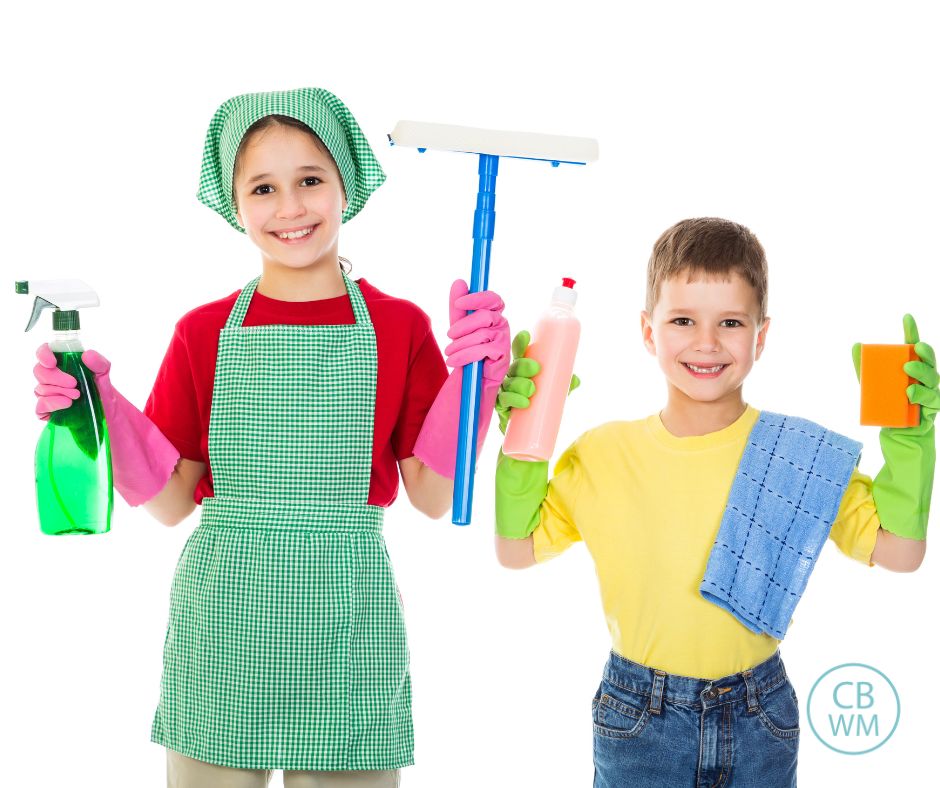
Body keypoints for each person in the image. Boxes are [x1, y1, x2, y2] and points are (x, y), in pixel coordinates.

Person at [31, 87, 511, 787]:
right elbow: (170, 503)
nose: (290, 208)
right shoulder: (203, 331)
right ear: (235, 204)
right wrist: (95, 412)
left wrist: (478, 382)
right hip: (224, 624)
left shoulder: (400, 326)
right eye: (263, 187)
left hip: (348, 622)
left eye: (310, 180)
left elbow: (435, 496)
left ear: (347, 183)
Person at [493, 217, 936, 787]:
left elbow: (900, 553)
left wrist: (911, 445)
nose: (706, 342)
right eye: (682, 320)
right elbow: (516, 550)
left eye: (730, 321)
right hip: (638, 720)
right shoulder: (601, 454)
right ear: (648, 332)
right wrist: (522, 445)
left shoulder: (800, 456)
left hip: (761, 717)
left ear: (762, 335)